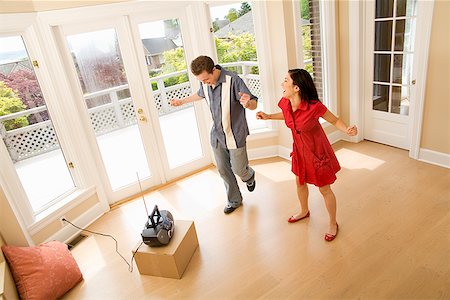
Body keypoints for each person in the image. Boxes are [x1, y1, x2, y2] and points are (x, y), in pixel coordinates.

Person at [256, 69, 357, 241]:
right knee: (300, 182)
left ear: (296, 87)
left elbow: (334, 120)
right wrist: (268, 116)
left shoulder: (314, 106)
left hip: (317, 153)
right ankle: (304, 211)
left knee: (324, 189)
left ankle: (333, 223)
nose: (282, 84)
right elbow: (287, 115)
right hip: (300, 151)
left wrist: (347, 130)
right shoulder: (286, 103)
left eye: (286, 80)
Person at [170, 55, 258, 214]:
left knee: (239, 169)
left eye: (206, 79)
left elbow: (253, 103)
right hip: (217, 135)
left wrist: (248, 103)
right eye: (201, 81)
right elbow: (200, 93)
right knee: (224, 170)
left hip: (235, 133)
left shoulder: (233, 80)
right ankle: (234, 200)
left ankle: (249, 176)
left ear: (214, 70)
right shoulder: (204, 82)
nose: (205, 83)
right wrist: (182, 101)